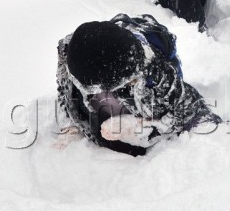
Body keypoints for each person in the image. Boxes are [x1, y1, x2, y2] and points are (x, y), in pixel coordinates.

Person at [56, 14, 220, 156]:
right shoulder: (71, 50)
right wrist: (75, 124)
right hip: (111, 49)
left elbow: (191, 108)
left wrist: (147, 127)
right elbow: (67, 94)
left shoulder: (156, 77)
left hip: (143, 52)